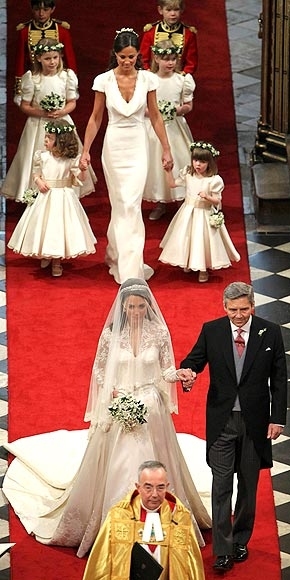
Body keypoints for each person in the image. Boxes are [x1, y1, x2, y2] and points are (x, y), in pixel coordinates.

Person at [3, 278, 211, 558]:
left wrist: (182, 375)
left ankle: (157, 525)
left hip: (151, 407)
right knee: (120, 464)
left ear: (147, 306)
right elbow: (100, 371)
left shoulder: (159, 332)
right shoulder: (112, 335)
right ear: (123, 307)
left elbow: (165, 371)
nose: (136, 312)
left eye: (140, 306)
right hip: (121, 404)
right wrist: (115, 395)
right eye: (131, 307)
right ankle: (117, 526)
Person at [180, 281, 288, 572]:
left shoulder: (270, 331)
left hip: (255, 423)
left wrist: (277, 418)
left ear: (252, 306)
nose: (238, 315)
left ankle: (241, 539)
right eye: (232, 310)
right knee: (221, 485)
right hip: (222, 422)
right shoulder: (211, 330)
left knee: (248, 488)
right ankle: (223, 550)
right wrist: (187, 373)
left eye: (243, 309)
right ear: (224, 307)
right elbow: (194, 361)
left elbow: (279, 379)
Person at [79, 27, 173, 284]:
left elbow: (155, 116)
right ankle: (117, 255)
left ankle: (130, 268)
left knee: (131, 205)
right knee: (120, 205)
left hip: (138, 146)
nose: (127, 62)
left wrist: (166, 149)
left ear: (138, 55)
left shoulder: (148, 80)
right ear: (115, 55)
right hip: (114, 147)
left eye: (132, 57)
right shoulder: (103, 80)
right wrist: (85, 151)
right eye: (122, 57)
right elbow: (96, 117)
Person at [2, 37, 96, 202]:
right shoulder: (32, 78)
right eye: (47, 58)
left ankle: (63, 190)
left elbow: (72, 102)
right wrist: (42, 112)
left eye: (55, 57)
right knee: (36, 158)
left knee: (63, 156)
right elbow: (25, 105)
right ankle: (34, 193)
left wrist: (61, 112)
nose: (52, 62)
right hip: (38, 125)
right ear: (38, 58)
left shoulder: (66, 76)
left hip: (62, 123)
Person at [82, 460, 206, 580]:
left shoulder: (180, 517)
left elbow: (191, 566)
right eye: (148, 487)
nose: (154, 494)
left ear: (167, 487)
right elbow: (101, 562)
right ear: (138, 487)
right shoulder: (118, 515)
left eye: (160, 487)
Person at [7, 119, 97, 277]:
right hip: (45, 196)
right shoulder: (41, 156)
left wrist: (83, 169)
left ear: (61, 141)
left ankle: (57, 261)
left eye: (49, 138)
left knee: (58, 227)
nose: (45, 141)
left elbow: (80, 179)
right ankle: (47, 254)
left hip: (63, 197)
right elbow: (36, 173)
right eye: (45, 137)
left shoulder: (70, 160)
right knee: (44, 226)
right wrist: (39, 181)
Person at [159, 140, 241, 282]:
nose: (198, 164)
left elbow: (217, 200)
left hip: (203, 213)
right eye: (195, 160)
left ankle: (203, 269)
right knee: (187, 237)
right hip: (188, 211)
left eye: (202, 162)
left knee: (201, 239)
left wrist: (207, 196)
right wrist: (168, 172)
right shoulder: (188, 174)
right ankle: (189, 262)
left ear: (209, 163)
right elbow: (172, 184)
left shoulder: (214, 180)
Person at [143, 39, 195, 221]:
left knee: (180, 161)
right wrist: (154, 112)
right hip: (154, 128)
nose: (170, 63)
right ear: (156, 58)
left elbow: (188, 105)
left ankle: (182, 201)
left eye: (173, 59)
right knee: (157, 165)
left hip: (175, 127)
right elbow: (143, 106)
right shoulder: (149, 79)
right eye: (166, 59)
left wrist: (176, 110)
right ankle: (161, 202)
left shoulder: (182, 80)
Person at [14, 0, 77, 104]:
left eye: (45, 9)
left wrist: (73, 85)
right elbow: (20, 61)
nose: (41, 13)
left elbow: (70, 59)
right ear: (32, 9)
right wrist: (19, 90)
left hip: (57, 78)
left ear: (52, 9)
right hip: (34, 79)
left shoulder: (62, 31)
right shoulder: (25, 32)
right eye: (37, 9)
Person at [140, 0, 198, 75]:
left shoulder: (189, 34)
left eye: (176, 9)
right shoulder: (151, 32)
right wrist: (149, 74)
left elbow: (191, 63)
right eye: (168, 10)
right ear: (160, 10)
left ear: (182, 10)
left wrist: (182, 76)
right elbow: (143, 59)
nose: (173, 14)